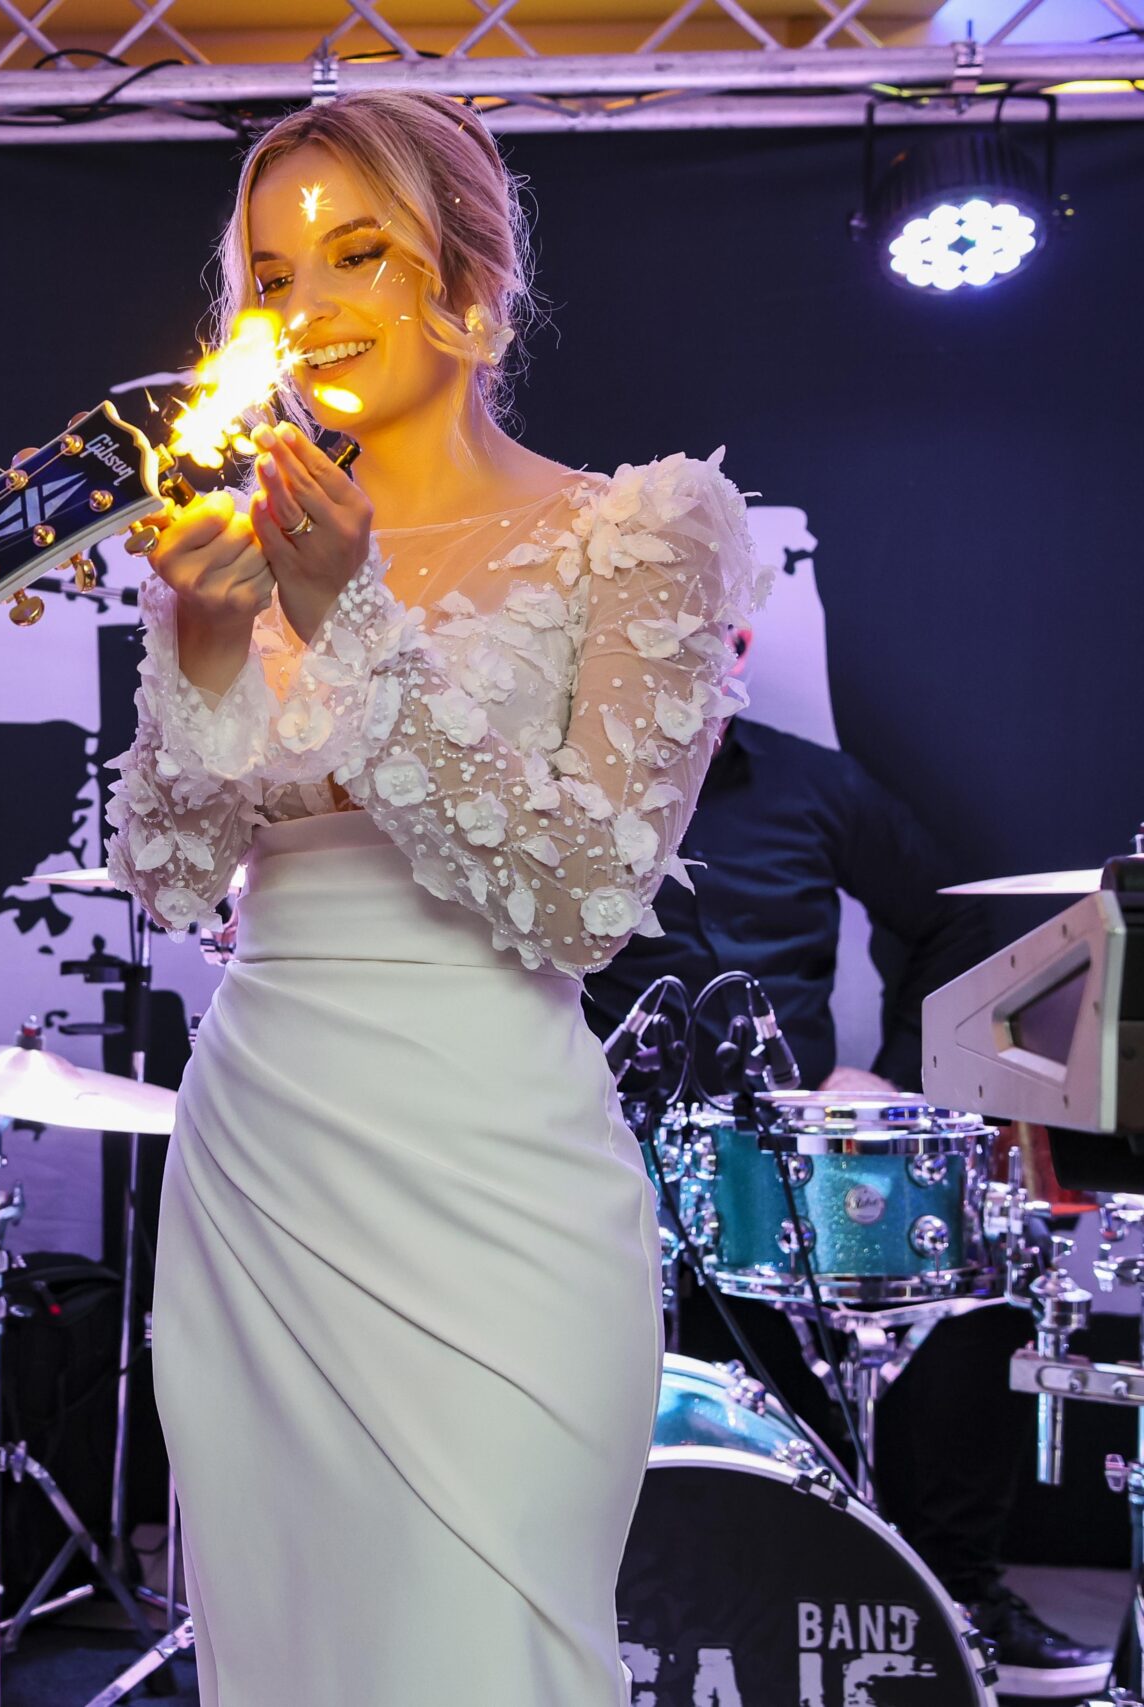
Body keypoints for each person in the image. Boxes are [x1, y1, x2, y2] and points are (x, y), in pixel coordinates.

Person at [107, 91, 765, 1702]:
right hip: (263, 1156)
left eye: (359, 253)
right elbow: (171, 876)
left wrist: (349, 614)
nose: (310, 306)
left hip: (494, 1174)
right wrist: (205, 647)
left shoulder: (637, 529)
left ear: (470, 276)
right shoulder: (235, 546)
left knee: (486, 1649)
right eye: (272, 276)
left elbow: (584, 897)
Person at [588, 692, 1110, 1700]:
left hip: (790, 1154)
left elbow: (951, 917)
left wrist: (893, 1071)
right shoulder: (575, 780)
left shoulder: (814, 784)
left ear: (737, 652)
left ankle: (958, 1601)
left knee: (975, 1290)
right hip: (609, 1144)